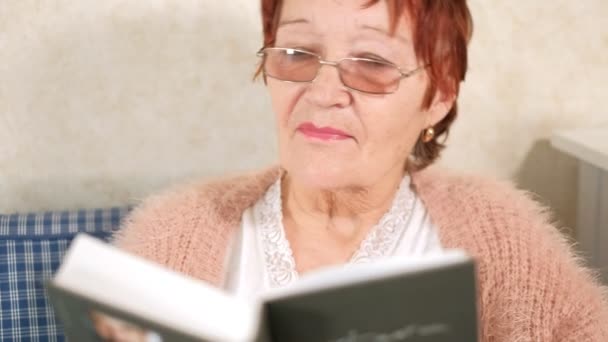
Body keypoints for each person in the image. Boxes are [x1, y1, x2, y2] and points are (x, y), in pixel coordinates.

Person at [113, 0, 608, 340]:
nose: (322, 93)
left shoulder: (502, 237)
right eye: (295, 54)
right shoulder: (169, 237)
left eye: (372, 62)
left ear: (438, 97)